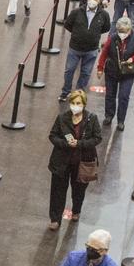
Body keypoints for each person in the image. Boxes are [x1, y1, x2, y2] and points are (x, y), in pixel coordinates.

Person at [46, 90, 102, 230]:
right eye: (72, 103)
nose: (75, 106)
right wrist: (66, 144)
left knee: (79, 190)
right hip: (61, 162)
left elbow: (97, 138)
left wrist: (79, 144)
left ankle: (76, 210)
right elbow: (53, 136)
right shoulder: (62, 118)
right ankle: (55, 218)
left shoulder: (91, 119)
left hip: (82, 162)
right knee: (58, 191)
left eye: (78, 103)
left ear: (83, 104)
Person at [95, 16, 134, 130]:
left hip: (128, 72)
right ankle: (109, 116)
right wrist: (100, 68)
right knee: (110, 95)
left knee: (123, 96)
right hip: (112, 71)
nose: (122, 33)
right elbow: (104, 53)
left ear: (129, 30)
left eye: (124, 31)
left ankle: (121, 120)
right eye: (120, 31)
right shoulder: (112, 38)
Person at [60, 0, 111, 101]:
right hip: (75, 48)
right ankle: (65, 92)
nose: (92, 0)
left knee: (86, 73)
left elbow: (106, 28)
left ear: (99, 0)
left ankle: (79, 94)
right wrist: (78, 34)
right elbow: (68, 24)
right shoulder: (77, 12)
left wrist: (92, 34)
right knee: (69, 70)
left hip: (91, 50)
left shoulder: (104, 15)